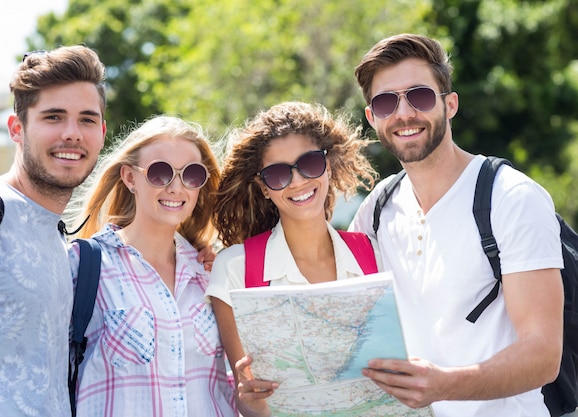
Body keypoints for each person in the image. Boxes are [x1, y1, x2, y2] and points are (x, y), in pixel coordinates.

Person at [348, 33, 564, 417]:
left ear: (450, 105)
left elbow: (543, 354)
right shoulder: (377, 208)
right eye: (385, 102)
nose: (403, 114)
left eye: (420, 96)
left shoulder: (511, 198)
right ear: (372, 118)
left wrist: (444, 385)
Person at [0, 45, 107, 416]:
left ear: (102, 132)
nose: (72, 134)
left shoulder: (58, 236)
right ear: (17, 129)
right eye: (54, 117)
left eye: (87, 119)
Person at [205, 101, 379, 417]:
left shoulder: (375, 254)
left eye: (309, 163)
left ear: (328, 164)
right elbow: (249, 402)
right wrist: (251, 398)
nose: (297, 182)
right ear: (263, 187)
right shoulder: (234, 268)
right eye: (277, 173)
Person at [67, 115, 237, 417]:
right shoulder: (83, 267)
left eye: (192, 175)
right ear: (130, 178)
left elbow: (231, 386)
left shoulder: (211, 272)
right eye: (160, 172)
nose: (176, 187)